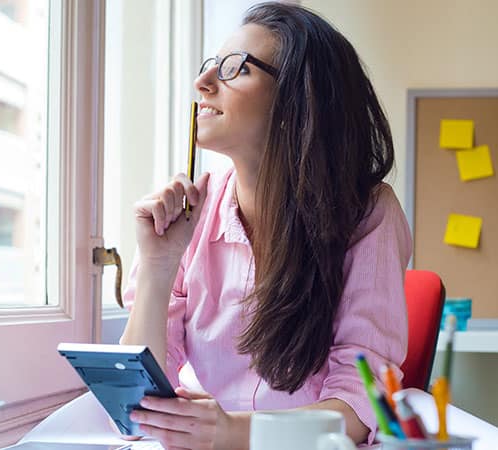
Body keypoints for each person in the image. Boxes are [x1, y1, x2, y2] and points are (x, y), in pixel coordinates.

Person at [119, 2, 412, 449]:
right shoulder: (190, 215)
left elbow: (361, 408)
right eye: (210, 66)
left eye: (235, 69)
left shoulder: (367, 212)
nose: (203, 83)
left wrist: (231, 433)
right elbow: (138, 405)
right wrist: (159, 267)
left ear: (299, 96)